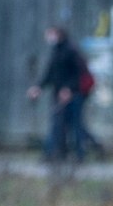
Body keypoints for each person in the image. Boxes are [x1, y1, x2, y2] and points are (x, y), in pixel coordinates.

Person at [28, 26, 95, 162]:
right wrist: (38, 87)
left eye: (51, 34)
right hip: (59, 94)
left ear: (58, 34)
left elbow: (79, 73)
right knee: (59, 124)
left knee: (76, 125)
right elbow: (50, 73)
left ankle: (81, 154)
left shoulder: (71, 50)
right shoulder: (56, 51)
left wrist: (69, 89)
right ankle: (55, 154)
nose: (49, 37)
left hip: (74, 95)